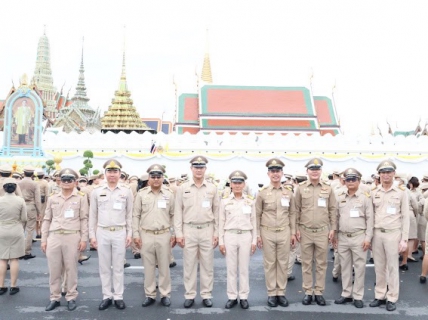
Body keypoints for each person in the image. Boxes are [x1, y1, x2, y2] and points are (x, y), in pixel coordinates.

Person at [174, 156, 219, 308]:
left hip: (207, 229)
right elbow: (178, 211)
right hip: (189, 230)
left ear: (205, 169)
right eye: (196, 167)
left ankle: (206, 294)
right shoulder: (183, 188)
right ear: (191, 169)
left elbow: (217, 212)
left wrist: (216, 233)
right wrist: (178, 233)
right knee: (189, 265)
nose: (199, 170)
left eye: (201, 167)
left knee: (207, 265)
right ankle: (190, 294)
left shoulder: (212, 188)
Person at [41, 169, 88, 311]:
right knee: (54, 269)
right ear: (59, 181)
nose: (66, 182)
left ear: (75, 182)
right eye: (64, 180)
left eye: (70, 180)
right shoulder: (52, 198)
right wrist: (44, 239)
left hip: (72, 236)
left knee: (71, 268)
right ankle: (54, 297)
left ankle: (71, 296)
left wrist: (84, 238)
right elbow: (47, 219)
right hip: (54, 236)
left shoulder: (81, 197)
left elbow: (84, 219)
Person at [89, 159, 133, 310]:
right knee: (104, 266)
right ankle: (107, 295)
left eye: (115, 171)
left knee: (119, 266)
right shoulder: (97, 191)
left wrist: (130, 233)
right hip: (102, 232)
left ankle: (119, 296)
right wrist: (92, 235)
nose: (112, 174)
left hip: (120, 232)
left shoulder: (126, 191)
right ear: (105, 173)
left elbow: (129, 214)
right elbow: (92, 215)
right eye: (109, 171)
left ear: (120, 173)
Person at [294, 158, 336, 306]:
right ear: (307, 171)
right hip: (304, 231)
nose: (315, 172)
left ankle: (318, 292)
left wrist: (333, 229)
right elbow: (296, 210)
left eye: (317, 169)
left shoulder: (328, 188)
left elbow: (332, 209)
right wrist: (296, 229)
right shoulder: (300, 188)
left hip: (322, 231)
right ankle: (307, 291)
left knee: (321, 264)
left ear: (321, 171)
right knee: (306, 263)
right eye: (312, 169)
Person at [132, 164, 175, 307]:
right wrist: (136, 234)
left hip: (163, 234)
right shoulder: (141, 194)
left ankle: (165, 294)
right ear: (149, 179)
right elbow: (135, 215)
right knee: (148, 267)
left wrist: (174, 233)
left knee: (164, 266)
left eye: (159, 177)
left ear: (163, 178)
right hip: (146, 234)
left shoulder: (169, 194)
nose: (156, 179)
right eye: (153, 177)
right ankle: (150, 294)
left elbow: (174, 215)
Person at [255, 159, 296, 308]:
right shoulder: (262, 193)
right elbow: (257, 215)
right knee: (270, 263)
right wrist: (258, 235)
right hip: (267, 232)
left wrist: (293, 233)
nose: (275, 174)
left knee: (283, 263)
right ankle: (272, 293)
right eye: (272, 171)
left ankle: (281, 293)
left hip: (284, 231)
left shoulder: (288, 193)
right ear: (268, 174)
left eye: (278, 171)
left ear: (282, 173)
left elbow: (292, 214)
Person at [369, 160, 409, 312]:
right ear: (379, 175)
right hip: (377, 233)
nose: (386, 175)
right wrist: (370, 236)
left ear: (394, 173)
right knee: (379, 267)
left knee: (392, 267)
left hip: (393, 234)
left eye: (389, 172)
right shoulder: (374, 192)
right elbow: (371, 216)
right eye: (383, 172)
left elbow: (405, 216)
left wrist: (404, 239)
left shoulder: (401, 192)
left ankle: (391, 297)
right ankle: (380, 295)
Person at [333, 168, 373, 308]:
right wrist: (334, 234)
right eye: (348, 180)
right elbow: (335, 217)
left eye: (353, 179)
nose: (350, 182)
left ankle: (358, 296)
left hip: (359, 237)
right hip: (343, 237)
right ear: (344, 181)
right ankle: (346, 293)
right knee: (345, 267)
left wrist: (368, 238)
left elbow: (370, 219)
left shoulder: (365, 197)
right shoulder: (339, 195)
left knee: (360, 267)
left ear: (359, 181)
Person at [219, 170, 256, 309]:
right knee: (231, 268)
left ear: (244, 184)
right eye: (235, 183)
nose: (237, 185)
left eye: (240, 183)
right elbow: (221, 222)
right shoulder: (225, 201)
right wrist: (221, 242)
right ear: (231, 184)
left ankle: (244, 296)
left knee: (244, 268)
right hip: (230, 235)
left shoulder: (250, 201)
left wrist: (254, 240)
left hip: (246, 235)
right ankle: (232, 296)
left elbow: (254, 222)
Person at [0, 178, 27, 296]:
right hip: (16, 229)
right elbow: (24, 218)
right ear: (15, 188)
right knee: (14, 259)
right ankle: (13, 286)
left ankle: (1, 286)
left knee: (2, 259)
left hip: (2, 229)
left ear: (3, 188)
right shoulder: (20, 201)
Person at [18, 165, 41, 260]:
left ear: (24, 173)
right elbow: (38, 199)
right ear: (32, 174)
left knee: (20, 229)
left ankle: (18, 251)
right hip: (31, 206)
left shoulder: (18, 183)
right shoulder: (35, 184)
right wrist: (39, 211)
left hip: (20, 206)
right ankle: (26, 252)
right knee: (30, 230)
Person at [35, 169, 49, 240]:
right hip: (43, 201)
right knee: (42, 217)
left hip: (36, 200)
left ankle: (37, 233)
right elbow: (47, 194)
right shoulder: (45, 183)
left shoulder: (35, 182)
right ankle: (42, 232)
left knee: (37, 217)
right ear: (43, 176)